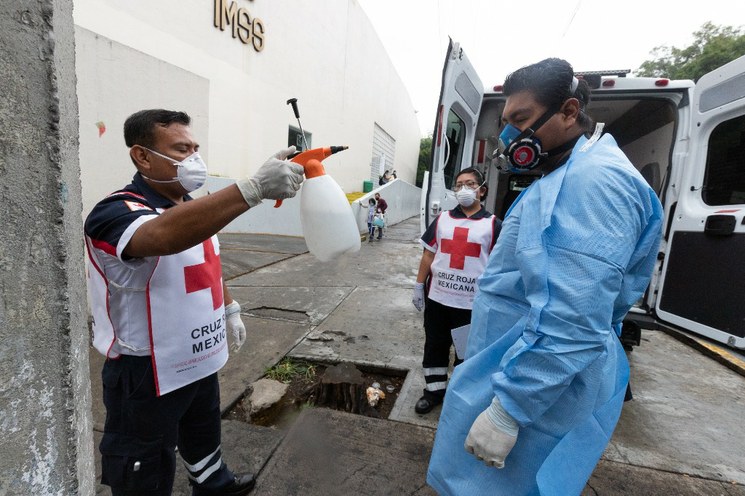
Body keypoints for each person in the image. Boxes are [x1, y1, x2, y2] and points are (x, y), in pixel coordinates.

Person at [427, 58, 663, 495]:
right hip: (517, 366)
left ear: (569, 112)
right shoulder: (568, 174)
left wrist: (509, 409)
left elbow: (574, 320)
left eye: (521, 119)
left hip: (537, 390)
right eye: (506, 123)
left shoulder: (594, 185)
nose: (509, 136)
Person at [84, 109, 304, 496]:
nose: (194, 158)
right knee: (145, 460)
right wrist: (250, 189)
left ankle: (213, 484)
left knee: (203, 431)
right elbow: (163, 238)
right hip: (147, 369)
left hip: (200, 355)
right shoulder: (116, 211)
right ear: (142, 156)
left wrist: (230, 308)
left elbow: (208, 264)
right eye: (181, 149)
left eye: (195, 148)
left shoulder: (192, 207)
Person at [412, 167, 501, 414]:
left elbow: (498, 266)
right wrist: (419, 285)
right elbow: (428, 254)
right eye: (459, 184)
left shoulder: (493, 225)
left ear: (482, 190)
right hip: (438, 300)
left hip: (470, 305)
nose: (464, 189)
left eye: (470, 184)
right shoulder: (442, 219)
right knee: (435, 346)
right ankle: (433, 392)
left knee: (466, 354)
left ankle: (458, 398)